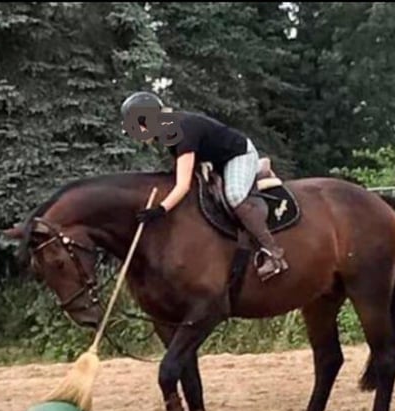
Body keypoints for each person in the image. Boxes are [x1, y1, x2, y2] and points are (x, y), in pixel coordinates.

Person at [120, 91, 289, 282]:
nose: (135, 136)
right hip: (219, 160)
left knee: (235, 196)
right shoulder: (167, 129)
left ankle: (274, 254)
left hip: (238, 155)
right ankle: (258, 170)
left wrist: (160, 209)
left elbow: (182, 185)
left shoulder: (179, 130)